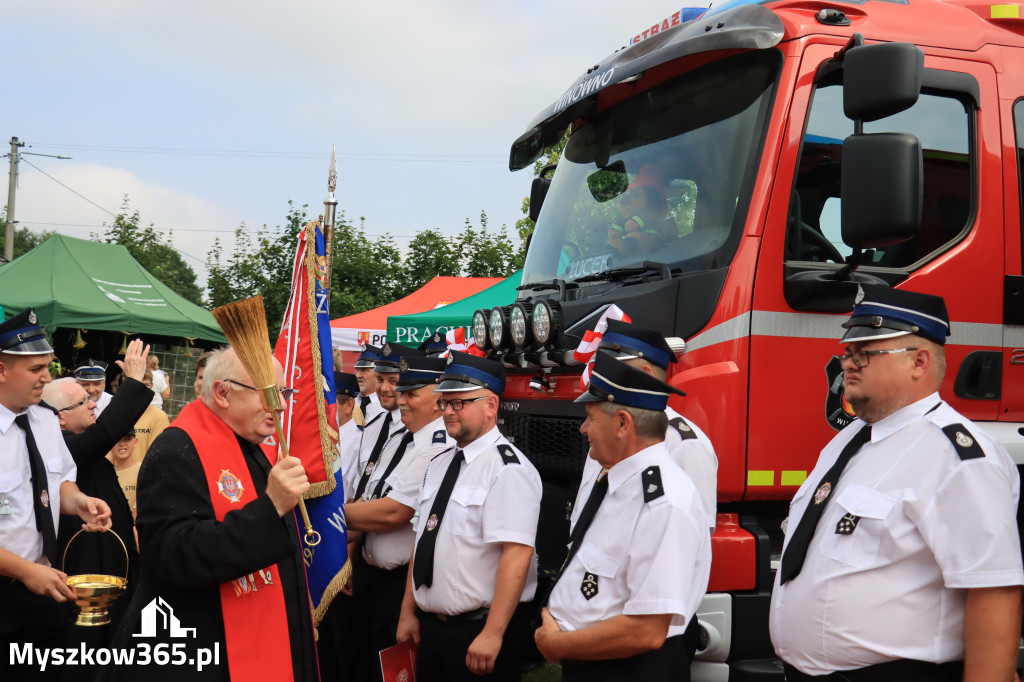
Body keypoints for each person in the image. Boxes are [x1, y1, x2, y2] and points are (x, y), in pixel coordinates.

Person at [769, 287, 1024, 681]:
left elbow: (993, 589)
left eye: (865, 353)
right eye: (847, 353)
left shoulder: (959, 458)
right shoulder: (848, 439)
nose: (848, 364)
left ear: (919, 362)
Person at [106, 346, 316, 682]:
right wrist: (271, 507)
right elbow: (174, 556)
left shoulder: (252, 444)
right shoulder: (175, 450)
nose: (282, 405)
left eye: (284, 392)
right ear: (222, 392)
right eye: (268, 393)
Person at [533, 351, 711, 681]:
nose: (583, 429)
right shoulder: (619, 481)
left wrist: (561, 645)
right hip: (598, 661)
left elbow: (646, 631)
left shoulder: (664, 501)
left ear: (622, 424)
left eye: (591, 418)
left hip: (629, 669)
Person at [396, 351, 542, 682]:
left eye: (458, 403)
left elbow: (516, 555)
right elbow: (423, 540)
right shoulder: (440, 463)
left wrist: (492, 633)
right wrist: (408, 611)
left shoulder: (508, 469)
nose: (447, 411)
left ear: (490, 406)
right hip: (433, 628)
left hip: (478, 631)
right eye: (445, 402)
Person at [0, 308, 113, 681]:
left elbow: (59, 482)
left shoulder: (45, 420)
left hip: (42, 584)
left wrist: (81, 503)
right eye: (36, 370)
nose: (47, 378)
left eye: (48, 366)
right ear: (2, 370)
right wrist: (26, 572)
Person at [346, 354, 451, 678]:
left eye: (412, 393)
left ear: (438, 398)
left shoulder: (439, 445)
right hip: (370, 572)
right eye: (401, 391)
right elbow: (369, 498)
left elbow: (393, 512)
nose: (401, 400)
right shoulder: (399, 437)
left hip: (400, 585)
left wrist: (325, 518)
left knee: (394, 668)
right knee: (362, 661)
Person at [595, 319, 718, 531]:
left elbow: (693, 536)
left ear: (645, 374)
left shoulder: (685, 445)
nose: (600, 376)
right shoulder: (605, 430)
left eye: (612, 369)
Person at [131, 370, 169, 462]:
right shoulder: (119, 413)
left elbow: (157, 454)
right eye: (138, 385)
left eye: (146, 385)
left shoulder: (159, 416)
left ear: (152, 386)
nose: (142, 389)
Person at [107, 431, 140, 519]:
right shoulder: (107, 474)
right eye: (117, 439)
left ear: (135, 442)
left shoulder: (143, 470)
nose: (122, 444)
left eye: (127, 439)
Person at [354, 342, 384, 424]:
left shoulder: (386, 405)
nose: (358, 375)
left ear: (378, 373)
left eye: (364, 370)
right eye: (357, 370)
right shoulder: (350, 402)